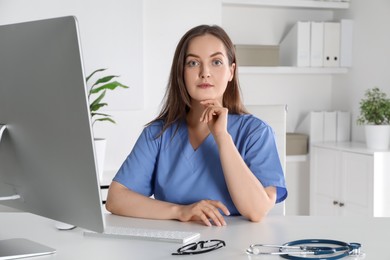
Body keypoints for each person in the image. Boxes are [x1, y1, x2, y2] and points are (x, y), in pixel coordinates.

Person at [105, 24, 287, 227]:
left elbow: (257, 210)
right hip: (175, 248)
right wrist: (181, 211)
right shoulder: (158, 133)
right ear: (181, 72)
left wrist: (222, 138)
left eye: (216, 62)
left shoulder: (256, 133)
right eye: (193, 63)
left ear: (231, 71)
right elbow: (116, 199)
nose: (205, 72)